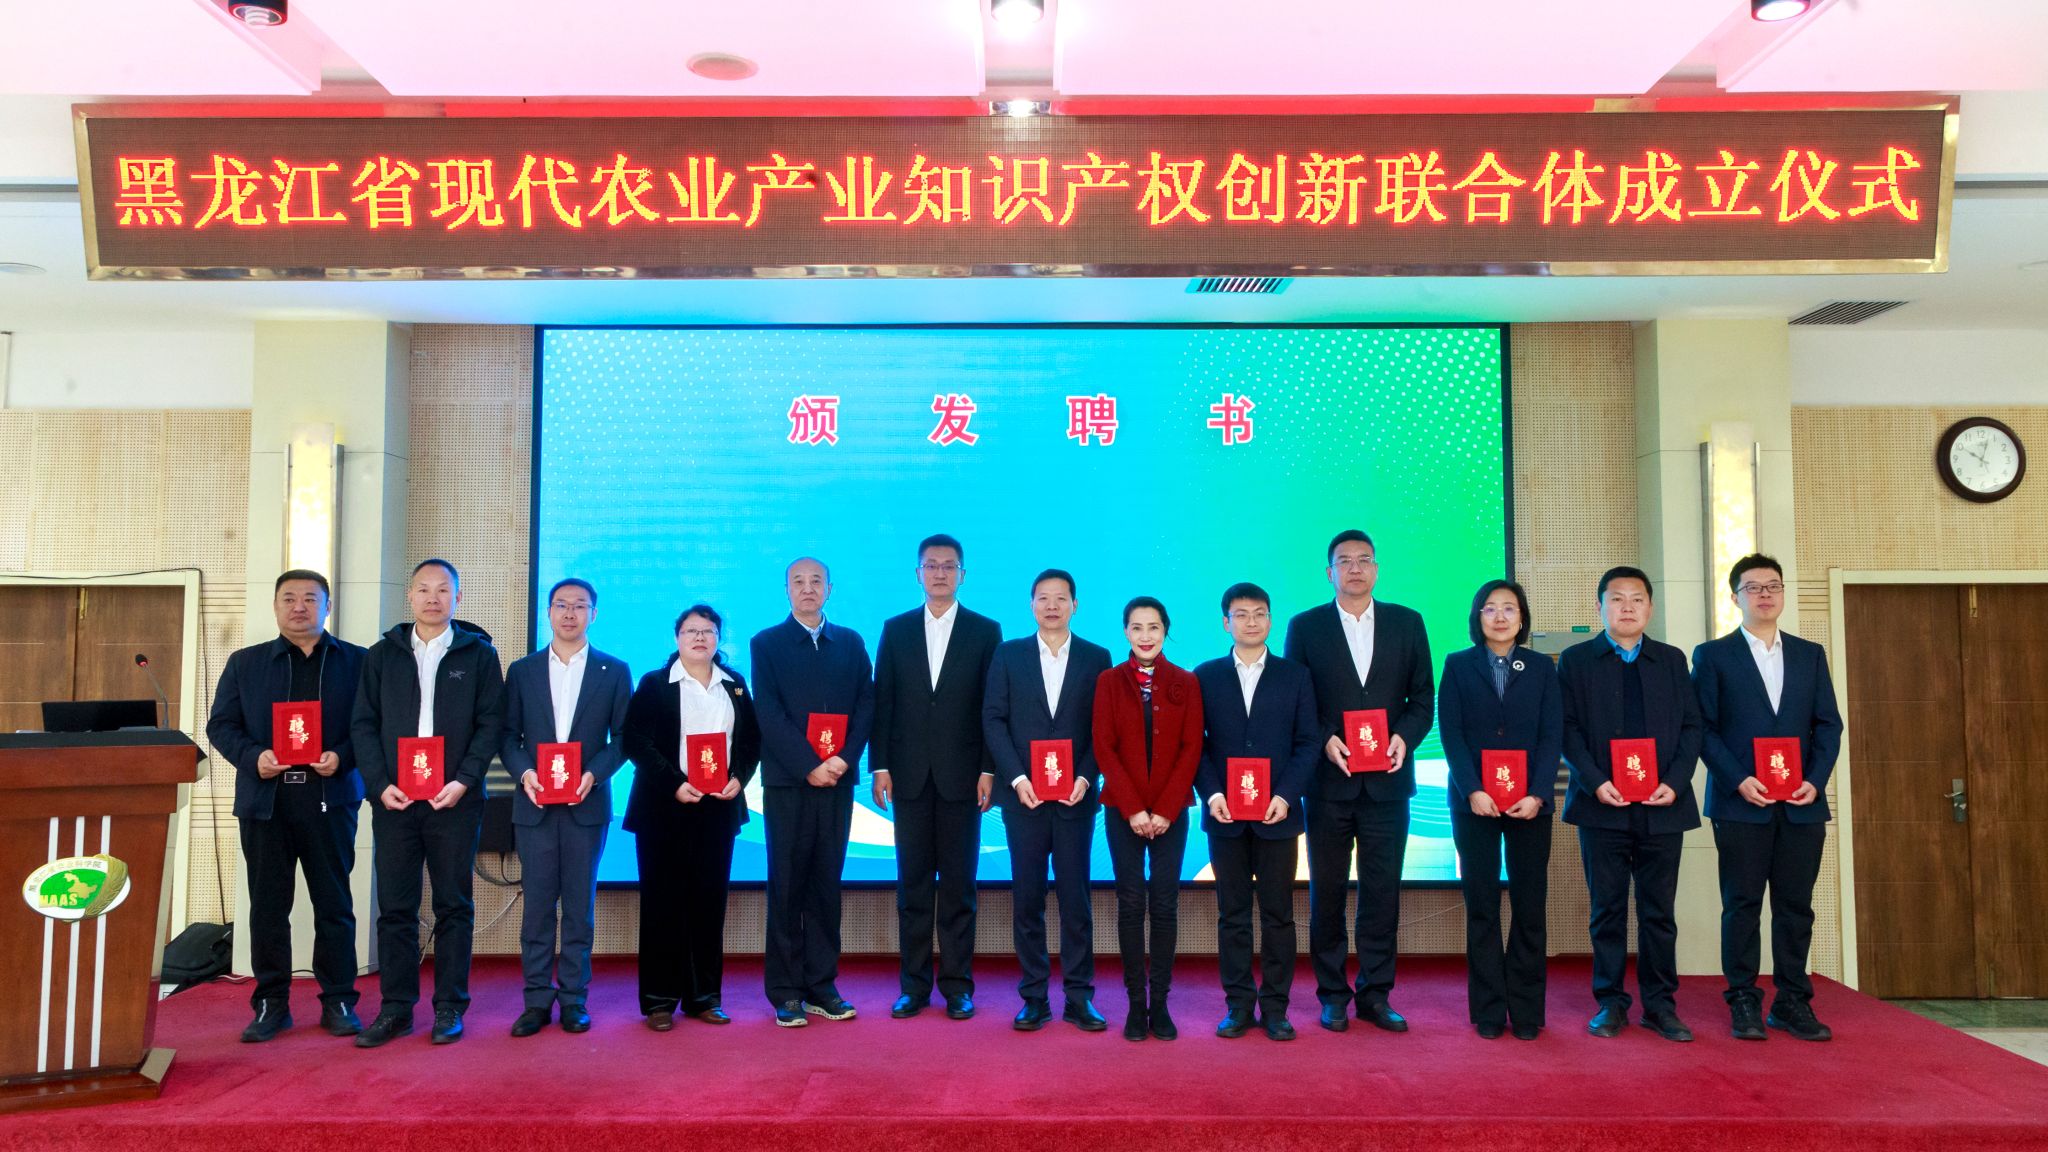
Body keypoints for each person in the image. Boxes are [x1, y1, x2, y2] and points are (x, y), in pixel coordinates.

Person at [1283, 530, 1435, 1035]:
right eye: (1344, 561)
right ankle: (1332, 995)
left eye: (1364, 559)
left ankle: (1375, 994)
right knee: (1326, 893)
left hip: (1388, 784)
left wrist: (1403, 739)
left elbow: (1422, 699)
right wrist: (1326, 739)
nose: (1354, 568)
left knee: (1382, 893)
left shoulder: (1408, 622)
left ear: (1376, 568)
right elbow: (1298, 700)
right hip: (1329, 783)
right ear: (1329, 572)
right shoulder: (1305, 626)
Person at [205, 569, 367, 1043]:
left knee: (334, 904)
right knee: (268, 907)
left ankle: (339, 999)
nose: (299, 607)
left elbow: (373, 724)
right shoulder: (246, 663)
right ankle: (271, 1003)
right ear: (275, 606)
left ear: (328, 607)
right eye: (289, 598)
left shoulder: (358, 662)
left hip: (330, 799)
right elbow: (221, 725)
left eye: (311, 598)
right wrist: (254, 757)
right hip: (266, 802)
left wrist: (343, 757)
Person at [350, 558, 506, 1048]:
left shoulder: (479, 656)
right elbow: (362, 725)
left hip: (454, 801)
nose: (433, 597)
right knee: (395, 907)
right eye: (424, 588)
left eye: (443, 590)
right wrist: (379, 785)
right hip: (395, 801)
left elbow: (491, 725)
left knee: (453, 905)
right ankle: (396, 1008)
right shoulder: (381, 655)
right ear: (410, 596)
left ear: (458, 598)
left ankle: (449, 1007)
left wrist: (464, 781)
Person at [1693, 554, 1843, 1042]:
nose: (1764, 594)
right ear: (1735, 597)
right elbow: (1703, 729)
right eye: (1753, 587)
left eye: (1773, 586)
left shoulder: (1809, 654)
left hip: (1801, 803)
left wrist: (1815, 780)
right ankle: (1743, 999)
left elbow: (1828, 725)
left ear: (1783, 593)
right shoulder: (1713, 656)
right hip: (1742, 803)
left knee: (1796, 906)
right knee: (1742, 905)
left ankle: (1793, 1001)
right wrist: (1737, 779)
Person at [1559, 565, 1703, 1043]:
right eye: (1616, 599)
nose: (1627, 607)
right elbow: (1566, 730)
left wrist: (1676, 782)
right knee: (1607, 909)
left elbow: (1692, 727)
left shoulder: (1672, 660)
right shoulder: (1577, 661)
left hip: (1664, 805)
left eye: (1637, 599)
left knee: (1659, 911)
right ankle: (1611, 1003)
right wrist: (1595, 781)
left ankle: (1660, 1006)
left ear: (1650, 608)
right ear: (1600, 606)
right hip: (1601, 805)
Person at [871, 533, 1002, 1021]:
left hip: (964, 779)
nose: (940, 573)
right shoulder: (896, 629)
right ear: (918, 574)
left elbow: (992, 707)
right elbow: (883, 701)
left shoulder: (985, 631)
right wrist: (880, 766)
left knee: (960, 887)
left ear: (963, 575)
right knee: (913, 886)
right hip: (907, 777)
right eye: (932, 565)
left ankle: (958, 986)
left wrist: (988, 769)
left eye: (949, 566)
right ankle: (914, 986)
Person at [983, 569, 1114, 1032]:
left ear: (1075, 605)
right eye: (1043, 598)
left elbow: (1104, 727)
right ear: (1031, 604)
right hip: (1025, 799)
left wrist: (1086, 776)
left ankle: (1079, 997)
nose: (1052, 606)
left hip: (1076, 798)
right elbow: (993, 719)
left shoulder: (1097, 657)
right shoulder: (1008, 654)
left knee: (1076, 900)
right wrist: (1018, 778)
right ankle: (1034, 997)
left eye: (1061, 598)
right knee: (1028, 899)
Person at [500, 577, 631, 1037]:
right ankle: (536, 1000)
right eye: (561, 605)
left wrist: (594, 774)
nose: (570, 613)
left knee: (579, 909)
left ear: (594, 613)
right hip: (535, 804)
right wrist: (525, 774)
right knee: (537, 908)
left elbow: (624, 739)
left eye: (579, 605)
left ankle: (574, 999)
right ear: (549, 612)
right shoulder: (523, 670)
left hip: (586, 806)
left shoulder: (614, 671)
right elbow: (508, 737)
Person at [622, 604, 761, 1030]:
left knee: (708, 904)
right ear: (677, 638)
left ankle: (704, 997)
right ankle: (659, 1000)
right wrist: (674, 784)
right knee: (662, 905)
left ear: (719, 638)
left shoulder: (734, 685)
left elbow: (751, 742)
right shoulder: (655, 684)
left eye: (708, 631)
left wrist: (738, 778)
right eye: (691, 631)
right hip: (665, 808)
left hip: (717, 808)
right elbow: (635, 740)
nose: (700, 637)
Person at [750, 557, 874, 1027]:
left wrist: (844, 759)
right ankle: (785, 992)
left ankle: (823, 986)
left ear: (829, 589)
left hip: (837, 781)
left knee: (826, 885)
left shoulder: (851, 642)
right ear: (786, 590)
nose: (807, 588)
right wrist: (808, 766)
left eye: (816, 581)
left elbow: (867, 703)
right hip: (788, 783)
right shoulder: (767, 643)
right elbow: (768, 712)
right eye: (798, 582)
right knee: (787, 886)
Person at [1194, 583, 1319, 1042]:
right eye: (1241, 614)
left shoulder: (1295, 676)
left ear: (1270, 619)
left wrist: (1285, 795)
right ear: (1225, 622)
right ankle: (1238, 1005)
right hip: (1225, 816)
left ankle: (1276, 1007)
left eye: (1259, 613)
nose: (1251, 621)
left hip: (1277, 816)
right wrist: (1212, 795)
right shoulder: (1205, 676)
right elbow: (1196, 746)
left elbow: (1308, 742)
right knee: (1232, 914)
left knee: (1278, 914)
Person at [1438, 579, 1561, 1041]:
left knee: (1529, 906)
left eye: (1510, 608)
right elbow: (1451, 733)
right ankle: (1488, 1009)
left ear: (1522, 617)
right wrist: (1472, 789)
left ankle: (1526, 1010)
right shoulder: (1458, 665)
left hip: (1530, 804)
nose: (1501, 616)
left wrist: (1539, 793)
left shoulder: (1542, 668)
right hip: (1475, 805)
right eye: (1490, 608)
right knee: (1482, 906)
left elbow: (1552, 734)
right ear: (1478, 617)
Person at [1092, 596, 1203, 1041]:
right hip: (1123, 810)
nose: (1145, 636)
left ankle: (1161, 1004)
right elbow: (1104, 747)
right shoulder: (1108, 681)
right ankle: (1136, 1005)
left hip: (1172, 812)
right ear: (1125, 632)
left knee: (1164, 904)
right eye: (1136, 628)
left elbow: (1192, 748)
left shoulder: (1186, 682)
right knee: (1131, 902)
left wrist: (1166, 808)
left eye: (1153, 627)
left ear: (1165, 631)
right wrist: (1134, 808)